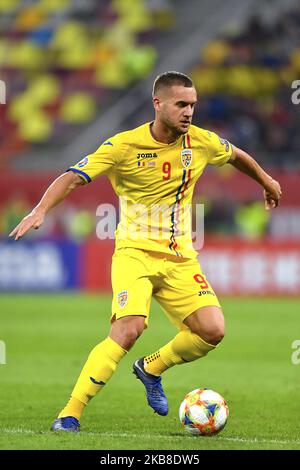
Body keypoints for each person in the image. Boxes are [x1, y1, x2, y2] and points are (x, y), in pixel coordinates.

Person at [9, 71, 282, 432]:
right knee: (129, 329)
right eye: (181, 104)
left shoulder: (200, 141)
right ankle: (70, 414)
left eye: (193, 105)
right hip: (135, 254)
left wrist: (266, 180)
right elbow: (73, 176)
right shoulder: (124, 145)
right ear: (158, 104)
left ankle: (151, 367)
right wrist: (41, 209)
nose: (189, 112)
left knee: (212, 331)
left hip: (181, 256)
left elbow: (235, 155)